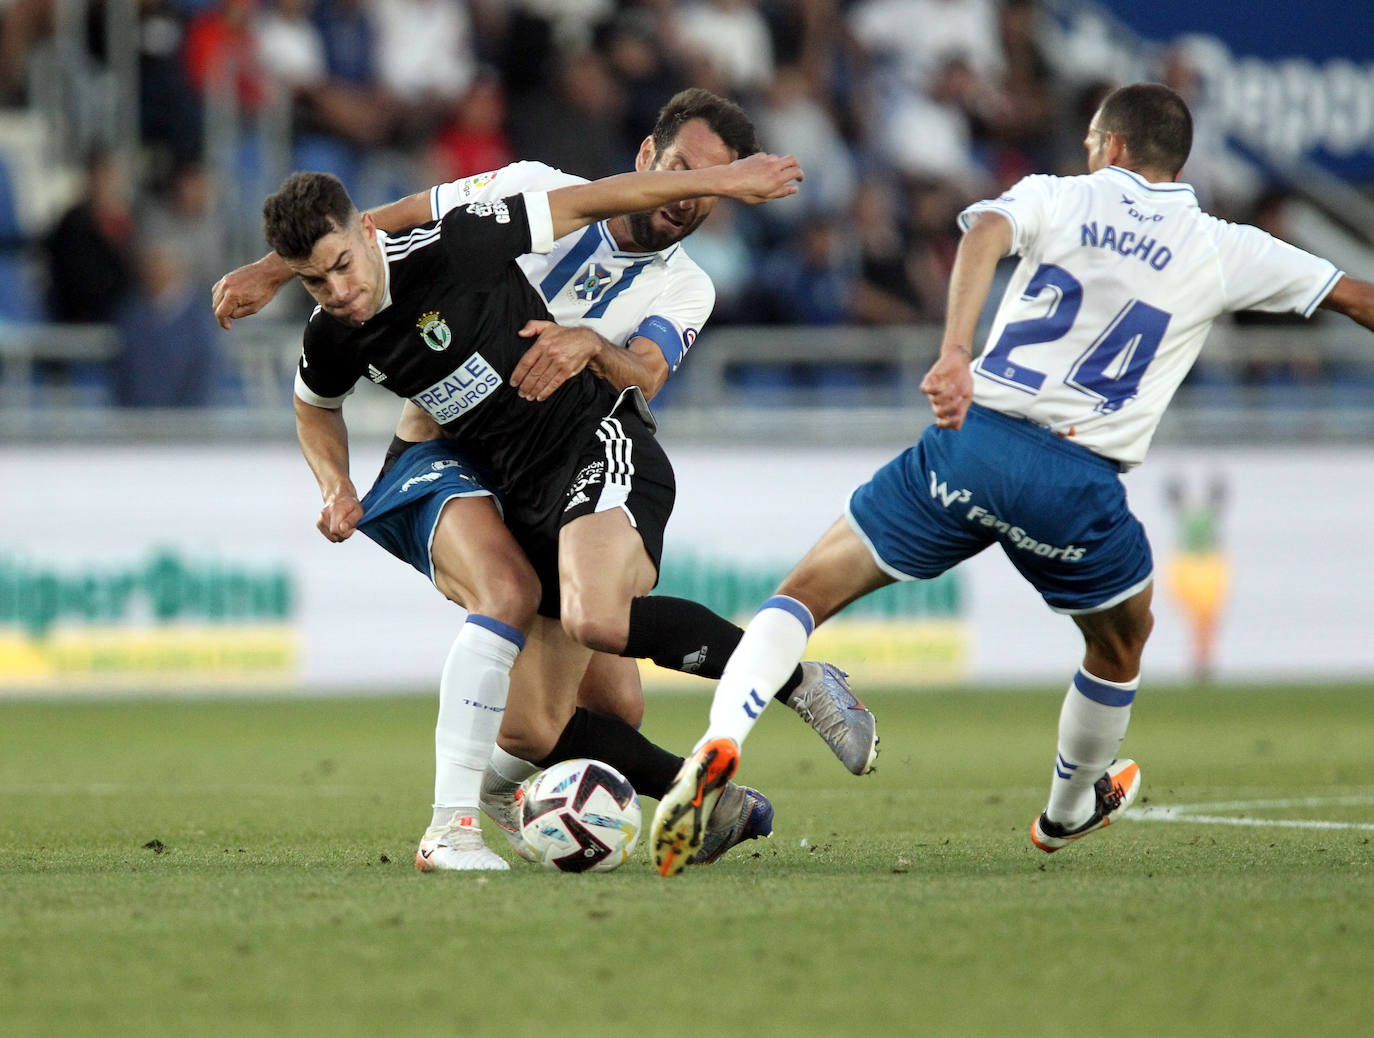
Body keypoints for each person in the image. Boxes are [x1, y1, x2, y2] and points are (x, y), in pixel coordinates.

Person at [649, 81, 1374, 876]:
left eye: (1095, 142)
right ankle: (1067, 810)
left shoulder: (1059, 197)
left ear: (1114, 146)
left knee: (803, 591)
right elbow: (1354, 296)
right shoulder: (1221, 245)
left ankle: (720, 739)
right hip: (1077, 482)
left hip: (972, 444)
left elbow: (984, 231)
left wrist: (956, 350)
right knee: (1122, 641)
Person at [216, 90, 878, 872]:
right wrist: (271, 273)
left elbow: (646, 375)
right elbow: (387, 221)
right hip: (464, 453)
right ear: (646, 157)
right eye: (681, 172)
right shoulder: (522, 195)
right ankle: (681, 795)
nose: (691, 195)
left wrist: (591, 344)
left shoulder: (684, 286)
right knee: (531, 722)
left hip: (571, 442)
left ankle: (777, 690)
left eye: (715, 184)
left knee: (610, 690)